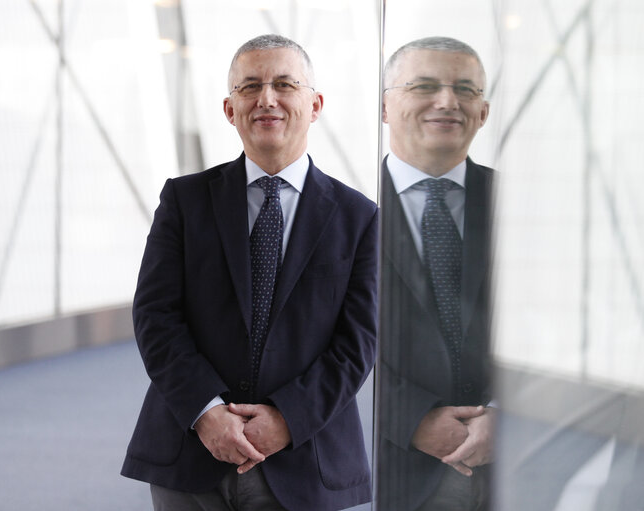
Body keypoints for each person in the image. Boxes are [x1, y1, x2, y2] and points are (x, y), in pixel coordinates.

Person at [121, 34, 378, 511]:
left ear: (315, 104)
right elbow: (155, 316)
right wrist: (206, 412)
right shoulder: (185, 200)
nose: (267, 99)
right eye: (250, 86)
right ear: (228, 108)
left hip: (306, 460)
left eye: (285, 84)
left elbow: (358, 342)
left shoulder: (359, 217)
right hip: (189, 457)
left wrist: (286, 418)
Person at [377, 36, 496, 511]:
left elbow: (559, 323)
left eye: (465, 90)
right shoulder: (337, 211)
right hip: (389, 467)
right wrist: (410, 419)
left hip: (518, 468)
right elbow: (316, 340)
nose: (447, 101)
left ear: (483, 112)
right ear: (386, 106)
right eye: (425, 85)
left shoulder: (527, 205)